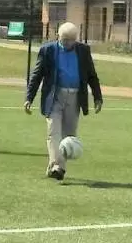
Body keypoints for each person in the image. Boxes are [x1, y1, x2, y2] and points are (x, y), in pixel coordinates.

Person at [24, 22, 103, 181]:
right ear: (58, 36)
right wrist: (29, 98)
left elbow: (91, 75)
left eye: (71, 40)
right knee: (54, 131)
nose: (67, 43)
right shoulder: (48, 50)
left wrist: (97, 97)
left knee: (69, 135)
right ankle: (56, 166)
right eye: (64, 39)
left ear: (76, 39)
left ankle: (56, 168)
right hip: (54, 96)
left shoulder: (83, 51)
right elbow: (37, 75)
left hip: (74, 96)